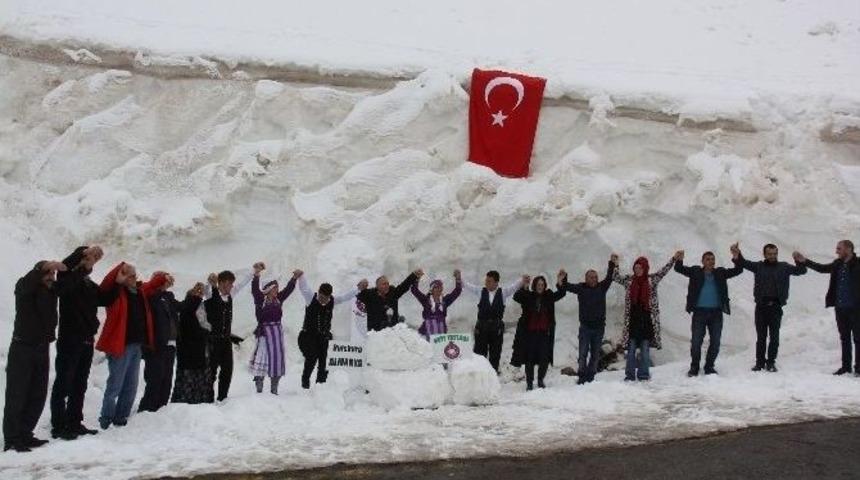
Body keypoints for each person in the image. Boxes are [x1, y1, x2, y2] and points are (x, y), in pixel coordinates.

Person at [3, 260, 66, 452]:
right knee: (17, 394)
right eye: (47, 274)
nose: (51, 277)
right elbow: (28, 283)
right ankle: (12, 439)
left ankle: (26, 433)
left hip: (41, 348)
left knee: (38, 393)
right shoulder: (24, 287)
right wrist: (42, 267)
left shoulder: (51, 291)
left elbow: (70, 279)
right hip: (22, 347)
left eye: (53, 274)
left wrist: (80, 265)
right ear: (38, 273)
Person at [96, 263, 168, 429]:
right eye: (130, 276)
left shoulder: (139, 292)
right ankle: (106, 419)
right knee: (115, 385)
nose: (134, 278)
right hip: (120, 346)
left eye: (135, 275)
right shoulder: (116, 293)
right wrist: (119, 272)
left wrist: (162, 277)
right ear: (122, 277)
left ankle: (121, 418)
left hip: (136, 346)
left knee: (131, 385)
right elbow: (106, 285)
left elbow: (152, 285)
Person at [51, 245, 112, 440]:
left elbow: (105, 298)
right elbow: (67, 272)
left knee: (79, 383)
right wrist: (83, 256)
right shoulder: (67, 279)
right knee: (64, 382)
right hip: (70, 337)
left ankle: (75, 421)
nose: (91, 263)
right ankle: (59, 425)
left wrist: (118, 283)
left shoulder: (89, 285)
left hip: (86, 338)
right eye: (86, 259)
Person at [733, 243, 806, 372]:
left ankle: (771, 362)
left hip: (776, 308)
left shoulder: (784, 267)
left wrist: (799, 261)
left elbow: (801, 271)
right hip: (761, 308)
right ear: (764, 254)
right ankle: (760, 363)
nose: (772, 256)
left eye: (774, 254)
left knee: (774, 337)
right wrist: (736, 252)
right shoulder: (758, 266)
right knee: (761, 337)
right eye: (769, 254)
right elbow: (743, 263)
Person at [674, 249, 744, 376]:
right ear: (702, 261)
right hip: (699, 313)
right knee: (696, 342)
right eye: (708, 259)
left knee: (715, 342)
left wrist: (736, 256)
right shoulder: (695, 271)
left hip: (716, 313)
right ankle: (694, 367)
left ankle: (709, 366)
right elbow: (679, 269)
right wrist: (679, 259)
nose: (711, 261)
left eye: (712, 259)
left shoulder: (720, 273)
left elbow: (738, 270)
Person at [797, 240, 860, 376]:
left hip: (856, 308)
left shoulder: (858, 263)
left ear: (849, 249)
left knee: (858, 338)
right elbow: (822, 268)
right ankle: (846, 367)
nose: (836, 251)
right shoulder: (837, 264)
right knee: (844, 338)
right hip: (840, 307)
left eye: (839, 248)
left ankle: (859, 368)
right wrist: (805, 261)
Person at [614, 253, 678, 381]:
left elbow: (663, 271)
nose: (637, 270)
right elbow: (615, 277)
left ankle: (643, 375)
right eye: (636, 268)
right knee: (631, 351)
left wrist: (674, 259)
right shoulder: (629, 281)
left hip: (646, 322)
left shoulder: (651, 281)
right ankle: (630, 375)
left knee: (644, 351)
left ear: (645, 268)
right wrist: (615, 263)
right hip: (632, 322)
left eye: (640, 268)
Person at [297, 272, 361, 389]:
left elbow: (345, 297)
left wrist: (358, 289)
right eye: (321, 297)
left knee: (324, 361)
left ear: (329, 296)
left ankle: (321, 385)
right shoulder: (310, 298)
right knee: (312, 357)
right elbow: (304, 288)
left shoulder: (332, 300)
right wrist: (301, 276)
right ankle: (305, 382)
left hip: (323, 336)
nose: (323, 300)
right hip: (308, 336)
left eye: (326, 298)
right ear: (319, 293)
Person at [197, 268, 252, 401]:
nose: (232, 286)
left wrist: (254, 272)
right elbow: (208, 287)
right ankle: (208, 399)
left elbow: (242, 284)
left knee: (227, 370)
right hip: (213, 341)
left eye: (232, 284)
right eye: (229, 284)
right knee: (211, 372)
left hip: (226, 340)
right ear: (221, 283)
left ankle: (223, 397)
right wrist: (211, 281)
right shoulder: (211, 295)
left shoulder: (230, 295)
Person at [559, 256, 615, 385]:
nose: (594, 279)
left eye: (595, 277)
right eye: (591, 277)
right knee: (583, 354)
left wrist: (612, 263)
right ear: (586, 278)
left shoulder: (602, 287)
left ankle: (591, 377)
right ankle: (582, 377)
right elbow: (567, 286)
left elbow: (609, 277)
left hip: (599, 327)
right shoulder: (581, 288)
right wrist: (564, 277)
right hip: (585, 328)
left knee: (595, 355)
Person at [511, 272, 566, 390]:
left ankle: (541, 380)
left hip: (544, 333)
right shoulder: (528, 296)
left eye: (542, 284)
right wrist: (524, 286)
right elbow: (516, 297)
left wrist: (560, 281)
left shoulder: (549, 296)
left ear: (545, 285)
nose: (540, 287)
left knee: (544, 359)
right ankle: (529, 382)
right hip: (530, 334)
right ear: (534, 285)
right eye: (538, 284)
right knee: (529, 359)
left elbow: (561, 293)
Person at [249, 263, 297, 395]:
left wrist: (294, 279)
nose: (277, 290)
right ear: (269, 289)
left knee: (276, 358)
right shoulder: (260, 300)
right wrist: (257, 274)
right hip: (264, 333)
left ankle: (274, 387)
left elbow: (287, 290)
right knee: (263, 357)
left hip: (276, 334)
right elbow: (254, 289)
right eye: (275, 288)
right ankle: (259, 385)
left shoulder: (278, 299)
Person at [138, 273, 183, 412]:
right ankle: (147, 409)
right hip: (156, 344)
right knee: (155, 378)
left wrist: (193, 295)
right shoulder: (148, 295)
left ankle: (161, 409)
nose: (168, 283)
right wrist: (161, 279)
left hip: (170, 344)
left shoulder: (168, 297)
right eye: (165, 280)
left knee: (167, 379)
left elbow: (181, 307)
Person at [462, 271, 522, 372]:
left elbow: (514, 286)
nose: (486, 283)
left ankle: (493, 374)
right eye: (486, 281)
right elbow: (467, 286)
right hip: (482, 326)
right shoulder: (480, 291)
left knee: (495, 353)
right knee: (479, 353)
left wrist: (522, 280)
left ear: (496, 282)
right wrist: (460, 277)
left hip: (496, 327)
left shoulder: (503, 292)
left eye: (489, 281)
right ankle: (480, 373)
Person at [172, 283, 212, 404]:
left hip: (196, 352)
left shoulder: (197, 310)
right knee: (190, 379)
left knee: (198, 376)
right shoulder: (187, 310)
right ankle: (190, 401)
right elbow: (193, 330)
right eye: (196, 295)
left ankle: (197, 400)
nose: (200, 297)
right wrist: (206, 331)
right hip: (190, 353)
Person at [356, 270, 421, 332]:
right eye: (384, 284)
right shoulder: (369, 294)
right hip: (376, 331)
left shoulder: (392, 293)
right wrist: (361, 287)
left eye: (387, 284)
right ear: (377, 286)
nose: (387, 286)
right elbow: (357, 297)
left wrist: (413, 275)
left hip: (393, 329)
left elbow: (403, 286)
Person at [410, 270, 463, 340]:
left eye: (440, 287)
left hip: (441, 333)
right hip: (427, 332)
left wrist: (458, 278)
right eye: (437, 287)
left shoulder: (445, 301)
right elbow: (414, 290)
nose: (439, 289)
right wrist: (417, 278)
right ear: (432, 290)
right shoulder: (426, 300)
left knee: (439, 350)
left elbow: (457, 291)